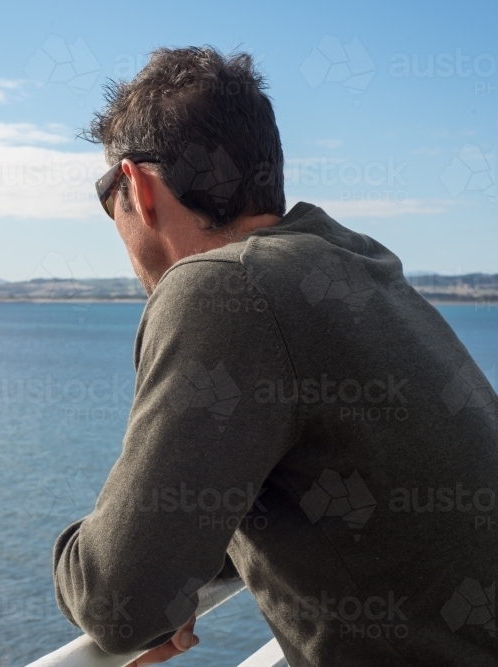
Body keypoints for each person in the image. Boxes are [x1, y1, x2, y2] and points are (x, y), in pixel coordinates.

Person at [52, 46, 498, 667]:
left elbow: (118, 600)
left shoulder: (221, 288)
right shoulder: (353, 260)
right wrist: (183, 554)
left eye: (109, 199)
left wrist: (85, 556)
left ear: (138, 187)